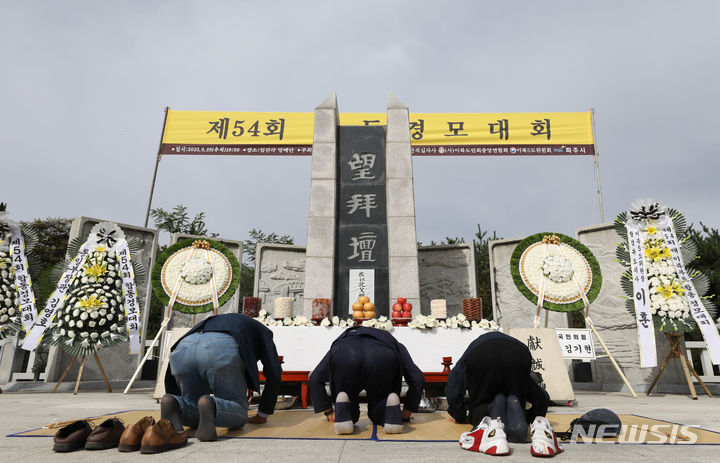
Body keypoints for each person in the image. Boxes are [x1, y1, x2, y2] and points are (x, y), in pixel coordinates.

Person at [162, 313, 282, 442]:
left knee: (193, 406)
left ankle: (175, 403)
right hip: (220, 347)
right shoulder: (263, 331)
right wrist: (263, 412)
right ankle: (213, 406)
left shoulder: (215, 320)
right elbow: (274, 372)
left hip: (183, 346)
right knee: (238, 411)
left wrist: (173, 393)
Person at [309, 326, 425, 434]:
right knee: (380, 402)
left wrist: (328, 411)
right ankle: (390, 415)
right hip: (382, 355)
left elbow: (315, 378)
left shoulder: (342, 342)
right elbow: (417, 378)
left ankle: (344, 412)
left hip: (345, 353)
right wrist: (408, 409)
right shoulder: (394, 343)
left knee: (348, 400)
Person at [446, 331, 550, 443]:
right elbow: (540, 396)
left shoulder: (472, 350)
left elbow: (454, 386)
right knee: (515, 393)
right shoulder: (508, 345)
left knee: (481, 403)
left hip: (480, 355)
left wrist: (460, 415)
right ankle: (517, 410)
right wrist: (532, 418)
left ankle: (488, 415)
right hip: (519, 352)